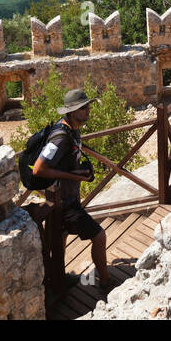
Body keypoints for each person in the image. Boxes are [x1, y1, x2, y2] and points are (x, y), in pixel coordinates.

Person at [31, 88, 111, 293]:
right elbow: (39, 169)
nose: (88, 110)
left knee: (62, 236)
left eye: (88, 106)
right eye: (83, 107)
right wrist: (76, 176)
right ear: (72, 111)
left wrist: (79, 171)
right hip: (64, 202)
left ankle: (59, 278)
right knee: (99, 236)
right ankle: (106, 281)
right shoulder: (61, 136)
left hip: (67, 198)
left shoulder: (72, 130)